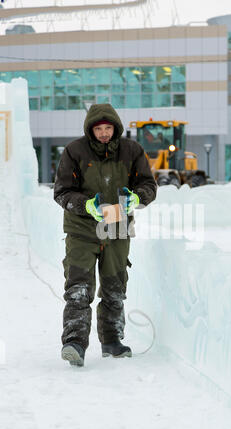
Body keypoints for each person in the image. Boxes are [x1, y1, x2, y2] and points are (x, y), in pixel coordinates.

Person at [54, 103, 157, 367]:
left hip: (118, 228)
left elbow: (148, 184)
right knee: (78, 288)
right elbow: (62, 191)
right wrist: (86, 205)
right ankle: (75, 343)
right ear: (91, 129)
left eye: (107, 128)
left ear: (116, 127)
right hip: (82, 229)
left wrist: (137, 197)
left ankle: (112, 341)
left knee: (114, 288)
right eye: (98, 129)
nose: (103, 133)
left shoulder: (132, 151)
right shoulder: (74, 151)